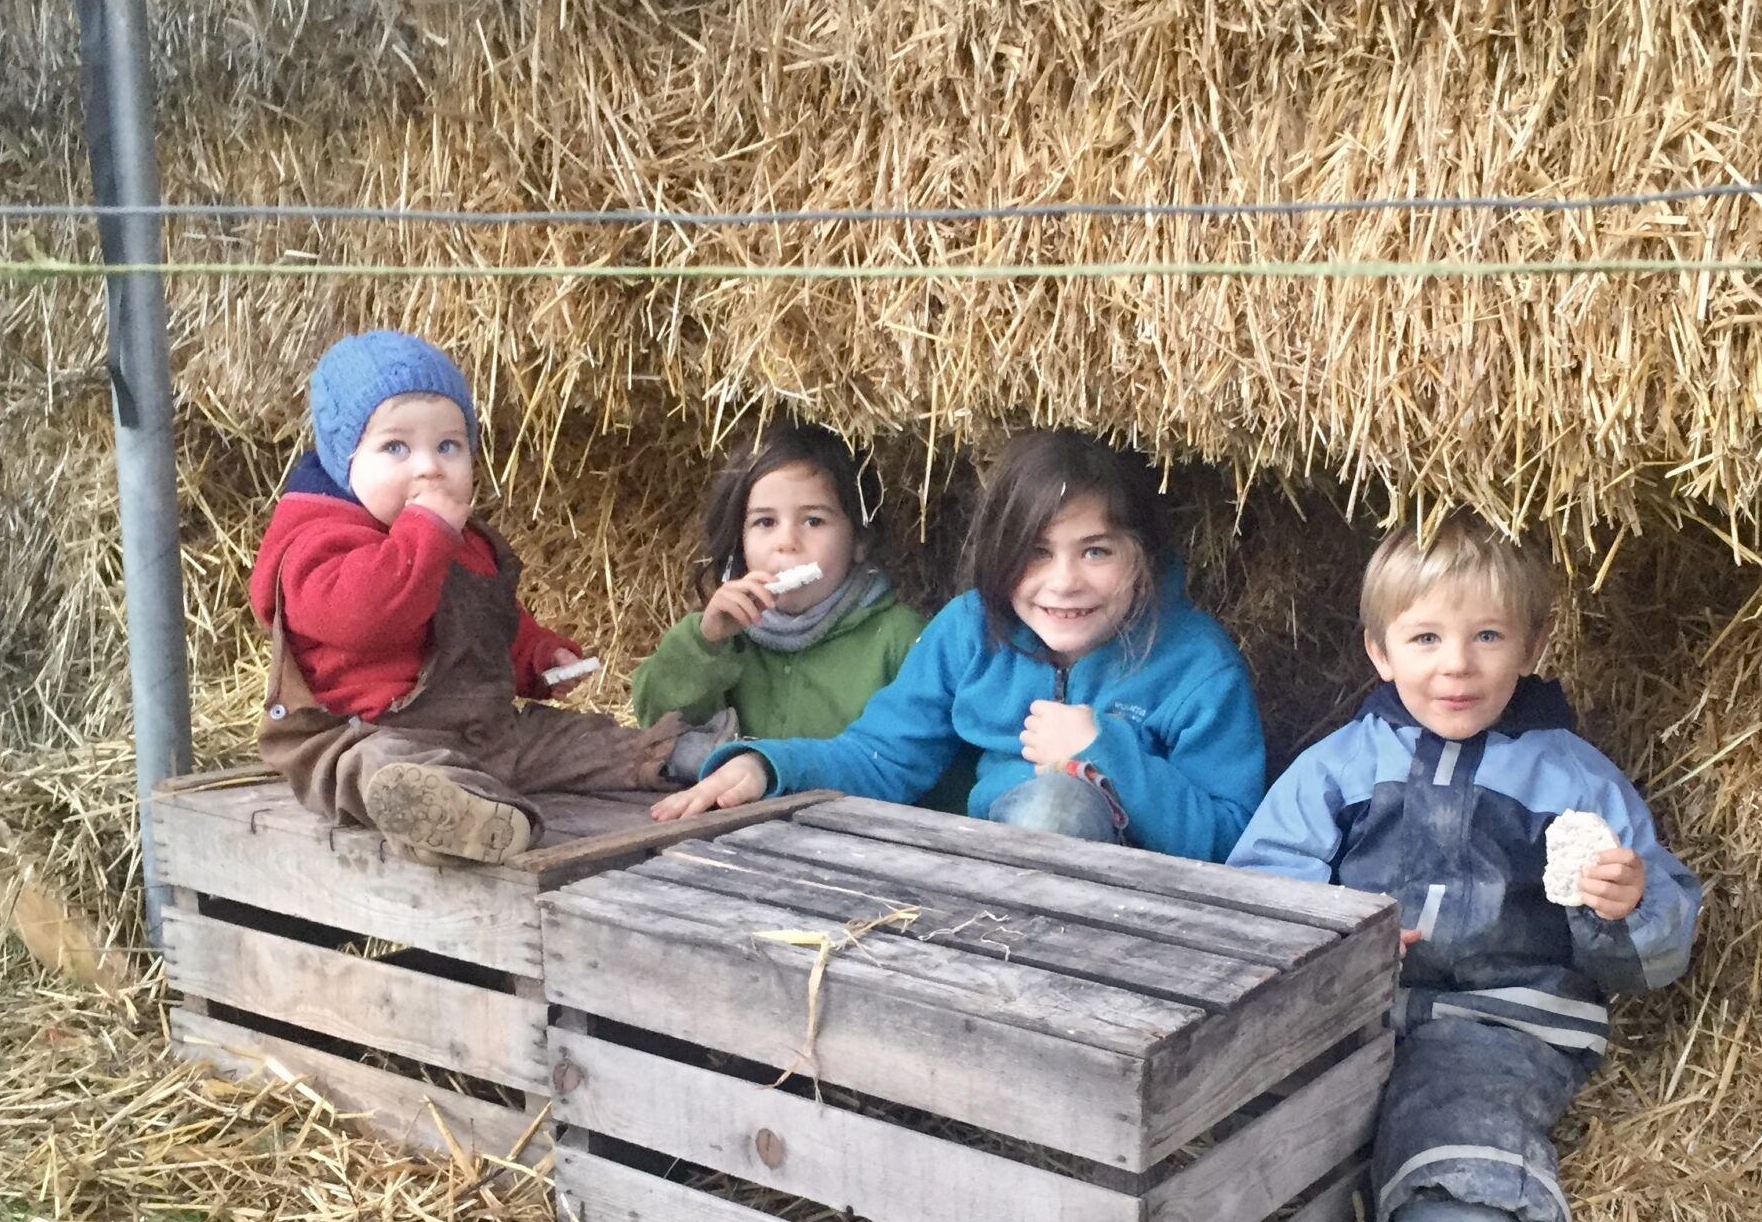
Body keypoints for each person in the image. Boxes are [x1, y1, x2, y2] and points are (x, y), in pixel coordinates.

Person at [1227, 519, 1700, 1222]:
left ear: (1533, 646)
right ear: (1379, 653)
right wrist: (1343, 939)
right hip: (1361, 1010)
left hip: (1503, 1016)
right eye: (1426, 639)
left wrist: (1625, 908)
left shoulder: (1573, 780)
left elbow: (1655, 955)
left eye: (1487, 636)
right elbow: (1263, 888)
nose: (1457, 666)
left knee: (1454, 1107)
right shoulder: (1338, 767)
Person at [651, 428, 1263, 860]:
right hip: (990, 886)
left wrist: (1106, 752)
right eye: (1036, 552)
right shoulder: (971, 630)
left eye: (1096, 551)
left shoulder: (1196, 666)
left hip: (1154, 924)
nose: (1064, 582)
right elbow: (881, 757)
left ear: (1146, 555)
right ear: (998, 552)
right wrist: (768, 766)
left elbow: (1233, 840)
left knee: (1057, 807)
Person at [249, 331, 673, 863]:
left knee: (580, 739)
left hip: (482, 734)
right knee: (383, 768)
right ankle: (458, 820)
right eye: (396, 448)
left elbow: (490, 625)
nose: (430, 467)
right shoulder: (318, 543)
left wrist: (538, 657)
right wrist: (423, 536)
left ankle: (671, 756)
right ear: (345, 460)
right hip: (368, 733)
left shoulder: (457, 540)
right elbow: (367, 619)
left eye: (448, 446)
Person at [629, 423, 934, 787]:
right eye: (765, 522)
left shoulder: (902, 638)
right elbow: (654, 721)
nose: (786, 541)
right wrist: (704, 643)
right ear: (740, 540)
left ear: (859, 541)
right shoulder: (725, 633)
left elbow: (912, 762)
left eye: (814, 521)